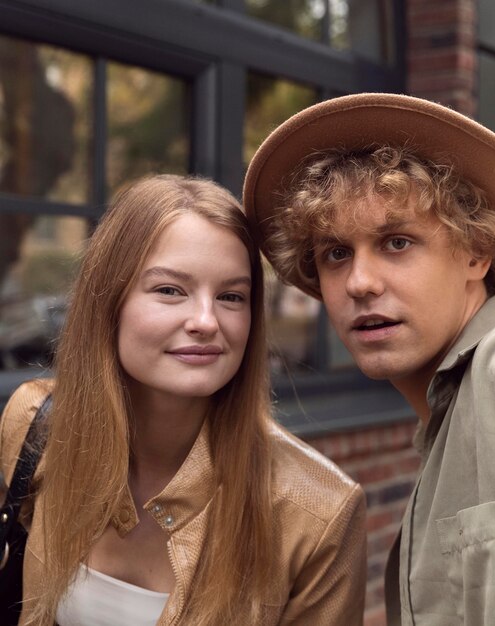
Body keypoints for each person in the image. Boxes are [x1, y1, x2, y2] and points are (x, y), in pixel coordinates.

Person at [242, 93, 495, 625]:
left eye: (396, 242)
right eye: (336, 253)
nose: (360, 282)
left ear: (476, 251)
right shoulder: (446, 425)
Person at [0, 175, 367, 626]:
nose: (206, 321)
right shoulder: (35, 422)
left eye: (232, 296)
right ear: (108, 302)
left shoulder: (317, 513)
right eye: (170, 290)